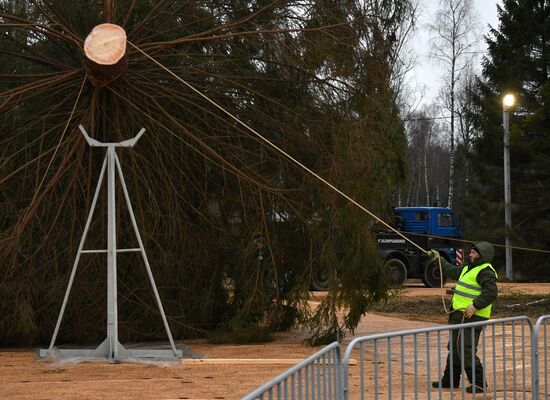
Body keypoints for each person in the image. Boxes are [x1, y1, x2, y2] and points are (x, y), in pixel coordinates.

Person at [427, 241, 498, 393]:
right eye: (471, 251)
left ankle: (479, 384)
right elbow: (451, 271)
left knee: (465, 349)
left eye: (474, 252)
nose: (470, 254)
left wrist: (475, 306)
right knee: (454, 348)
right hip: (459, 315)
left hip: (473, 316)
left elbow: (491, 292)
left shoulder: (485, 271)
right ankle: (449, 381)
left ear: (482, 255)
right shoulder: (468, 268)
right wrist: (437, 259)